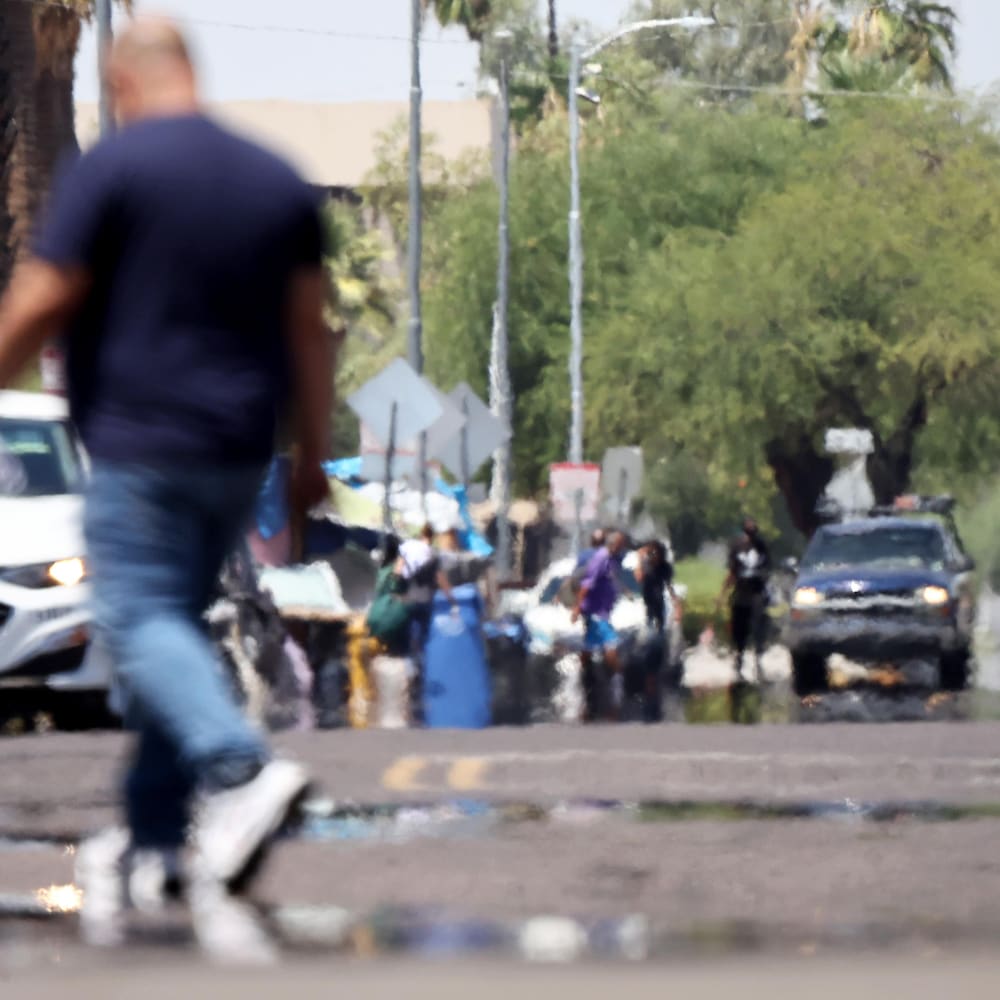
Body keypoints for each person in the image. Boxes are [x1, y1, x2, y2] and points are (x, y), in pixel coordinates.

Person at [0, 19, 331, 957]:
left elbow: (46, 294)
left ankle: (240, 769)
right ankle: (151, 843)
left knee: (136, 621)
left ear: (126, 85)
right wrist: (310, 455)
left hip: (141, 443)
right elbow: (310, 331)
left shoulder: (119, 170)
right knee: (168, 641)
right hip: (238, 451)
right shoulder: (273, 178)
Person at [572, 530, 629, 721]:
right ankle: (616, 700)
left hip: (601, 614)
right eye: (622, 543)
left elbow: (612, 582)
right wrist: (576, 608)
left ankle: (589, 705)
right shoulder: (601, 558)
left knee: (588, 658)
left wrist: (624, 591)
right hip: (597, 616)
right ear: (613, 544)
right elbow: (586, 584)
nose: (624, 547)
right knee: (612, 656)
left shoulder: (613, 559)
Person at [719, 517, 772, 682]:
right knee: (739, 629)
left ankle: (759, 661)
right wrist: (722, 594)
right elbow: (732, 572)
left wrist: (767, 590)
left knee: (758, 628)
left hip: (757, 593)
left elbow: (767, 570)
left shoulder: (762, 547)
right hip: (741, 594)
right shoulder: (736, 547)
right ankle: (739, 660)